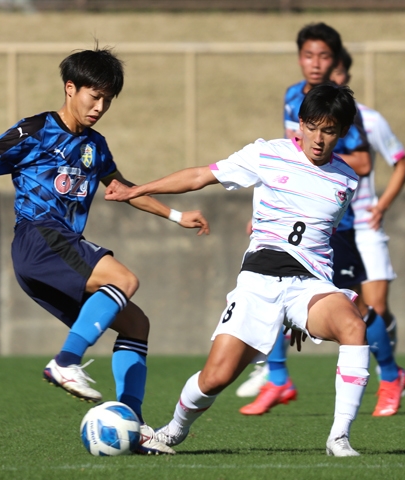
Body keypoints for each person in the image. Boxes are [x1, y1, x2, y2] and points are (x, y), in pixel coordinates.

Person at [0, 47, 210, 455]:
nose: (100, 107)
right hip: (40, 237)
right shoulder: (36, 129)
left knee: (136, 325)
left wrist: (176, 215)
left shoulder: (95, 145)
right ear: (70, 88)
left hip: (57, 249)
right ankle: (65, 361)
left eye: (108, 100)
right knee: (124, 279)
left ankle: (134, 423)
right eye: (94, 96)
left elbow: (122, 188)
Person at [106, 83, 370, 457]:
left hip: (309, 286)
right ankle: (172, 432)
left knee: (354, 326)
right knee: (215, 377)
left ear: (341, 133)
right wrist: (137, 190)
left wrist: (301, 312)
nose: (318, 138)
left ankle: (339, 438)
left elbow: (318, 240)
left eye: (329, 131)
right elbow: (201, 175)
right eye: (312, 126)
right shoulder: (267, 154)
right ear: (300, 123)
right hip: (259, 283)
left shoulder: (346, 180)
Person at [238, 44, 405, 418]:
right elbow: (292, 153)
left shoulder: (344, 110)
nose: (315, 64)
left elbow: (362, 160)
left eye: (324, 57)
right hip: (292, 219)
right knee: (270, 286)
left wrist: (320, 171)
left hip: (335, 225)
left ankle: (392, 375)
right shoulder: (292, 97)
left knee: (361, 310)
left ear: (336, 63)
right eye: (308, 55)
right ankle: (279, 378)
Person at [330, 49, 405, 350]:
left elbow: (401, 163)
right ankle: (272, 369)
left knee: (374, 305)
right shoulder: (309, 122)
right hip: (328, 227)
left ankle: (388, 370)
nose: (332, 78)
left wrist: (382, 205)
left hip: (364, 224)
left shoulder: (370, 120)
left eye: (338, 72)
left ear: (347, 77)